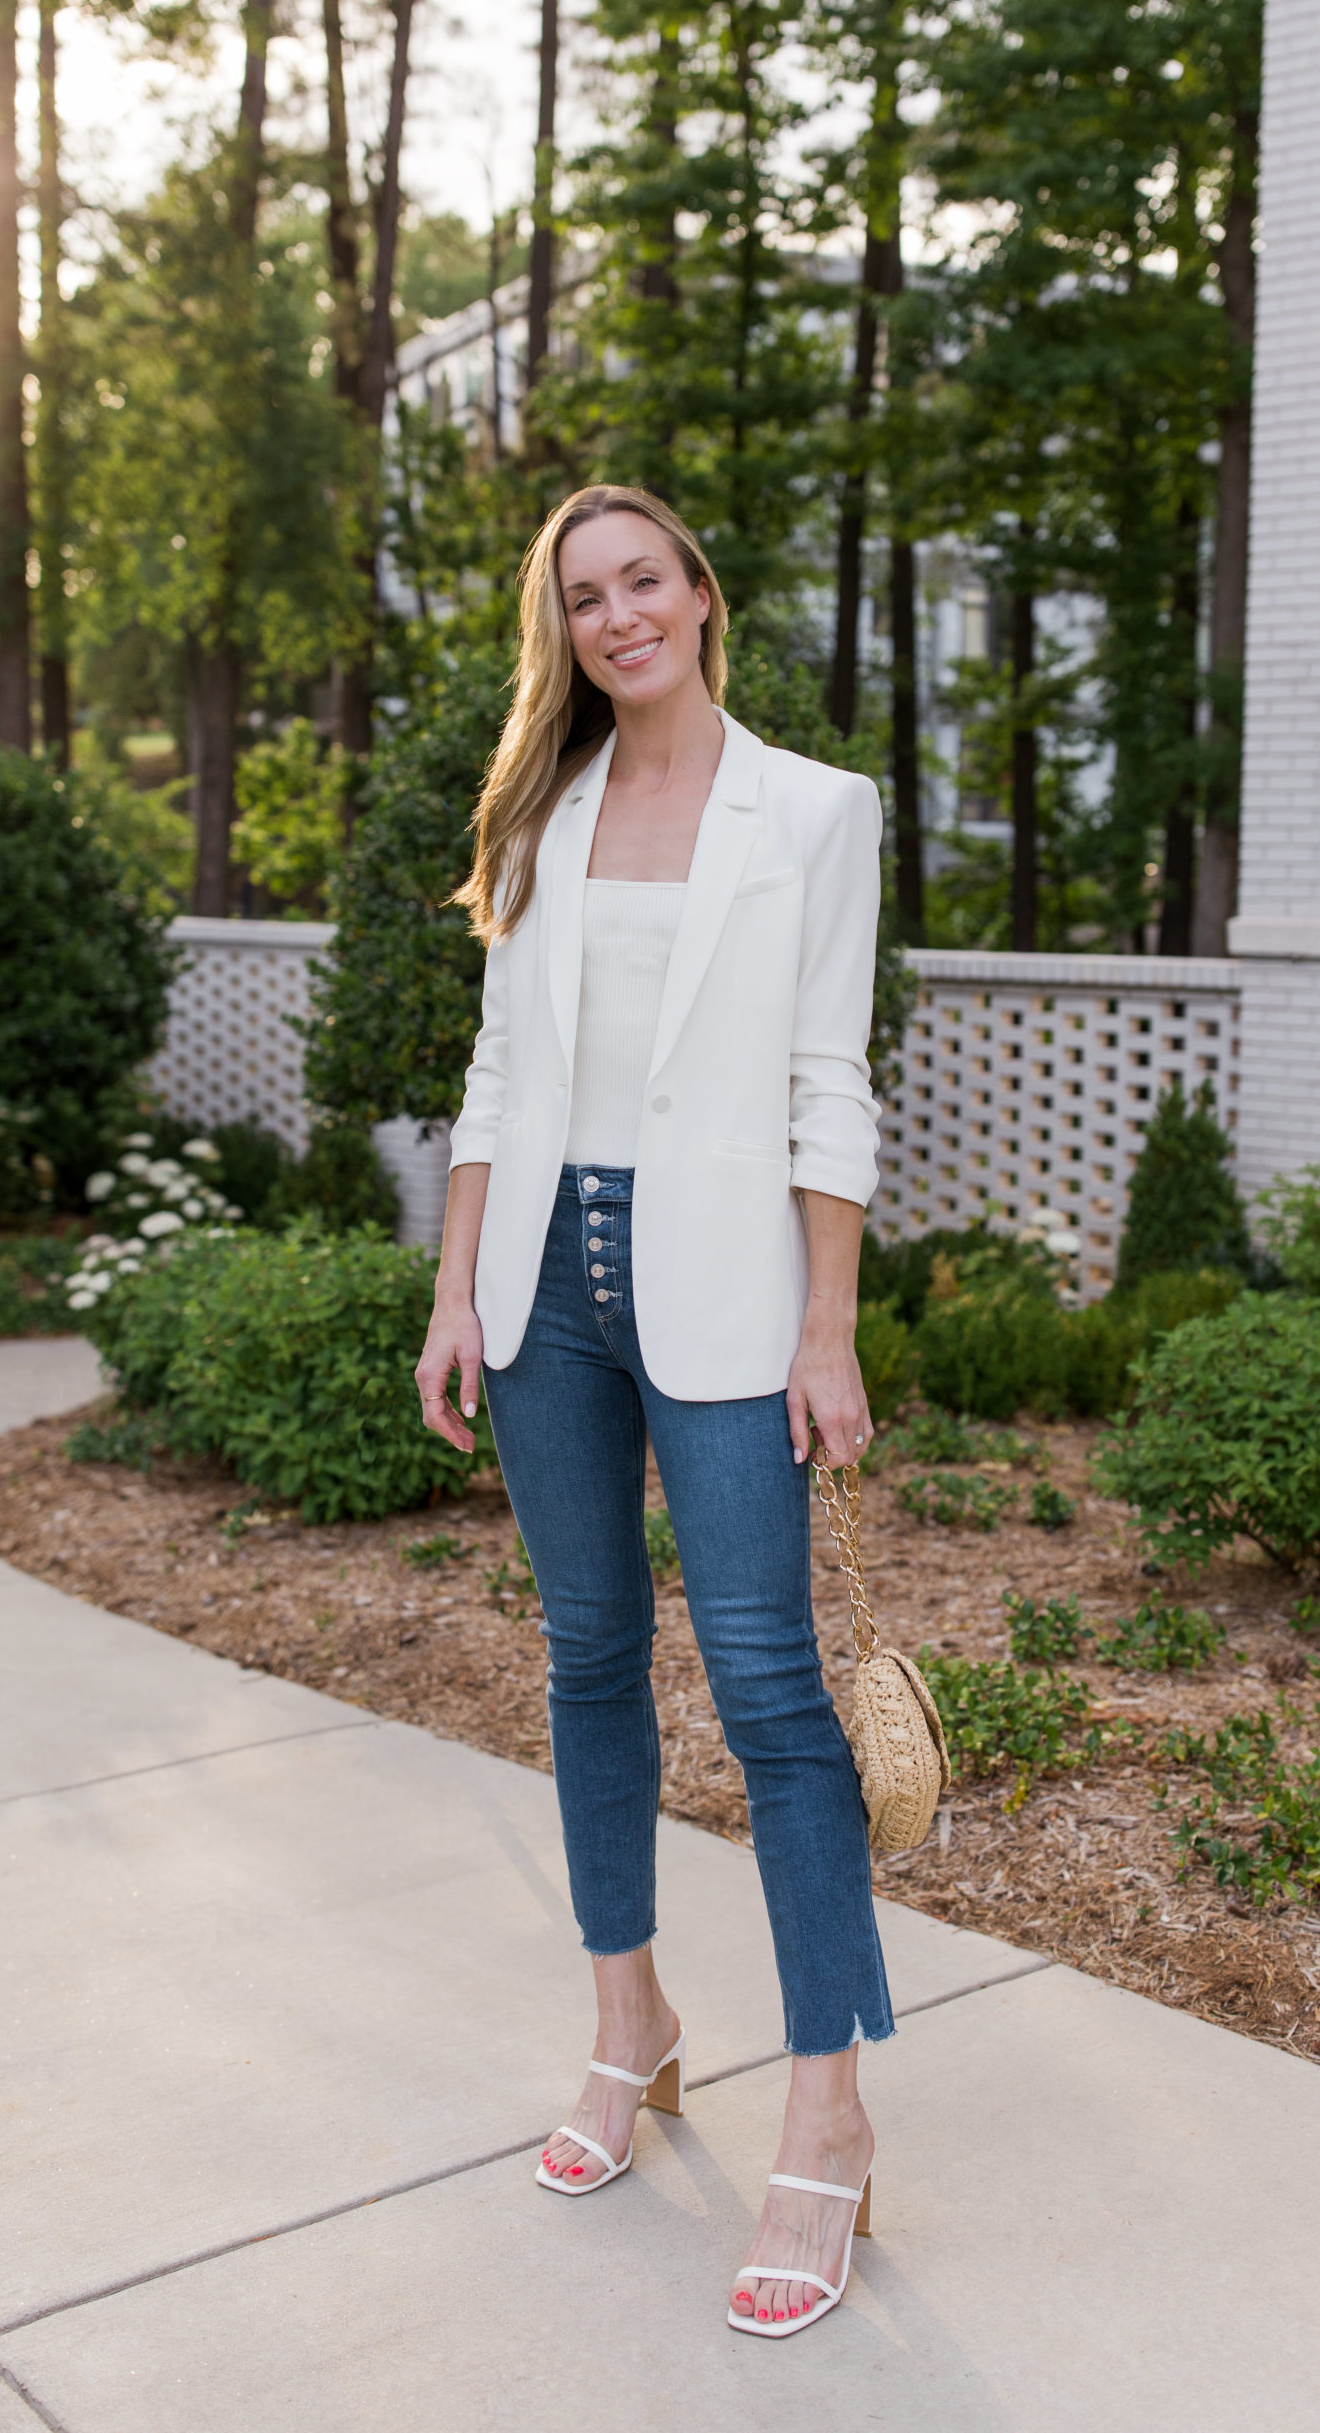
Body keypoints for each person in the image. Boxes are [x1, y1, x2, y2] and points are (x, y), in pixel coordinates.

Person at [415, 481, 890, 2339]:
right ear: (568, 630)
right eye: (583, 597)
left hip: (721, 1283)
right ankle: (633, 2026)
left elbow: (825, 1079)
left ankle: (831, 2116)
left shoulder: (814, 812)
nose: (618, 615)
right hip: (545, 1280)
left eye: (642, 581)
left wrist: (829, 1325)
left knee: (772, 1689)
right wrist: (458, 1288)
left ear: (701, 591)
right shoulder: (541, 808)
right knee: (589, 1653)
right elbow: (498, 1070)